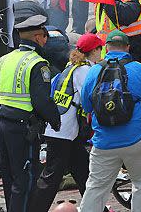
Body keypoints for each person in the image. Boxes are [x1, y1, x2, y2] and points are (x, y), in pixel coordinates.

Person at [0, 1, 61, 211]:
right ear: (38, 37)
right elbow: (42, 102)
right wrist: (56, 120)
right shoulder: (37, 63)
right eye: (45, 36)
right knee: (25, 180)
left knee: (9, 178)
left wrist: (6, 105)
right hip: (23, 129)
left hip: (2, 125)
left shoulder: (4, 60)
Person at [79, 30, 141, 212]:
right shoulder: (139, 69)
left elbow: (86, 106)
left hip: (104, 143)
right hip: (137, 138)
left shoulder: (94, 71)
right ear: (128, 48)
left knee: (96, 188)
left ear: (106, 48)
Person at [28, 33, 103, 212]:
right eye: (100, 49)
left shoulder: (71, 67)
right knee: (51, 178)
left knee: (84, 172)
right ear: (95, 51)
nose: (102, 53)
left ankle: (96, 208)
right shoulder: (85, 71)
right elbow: (91, 97)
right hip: (63, 132)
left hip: (64, 130)